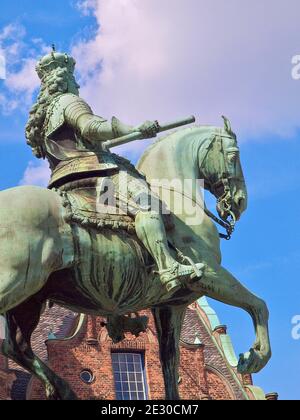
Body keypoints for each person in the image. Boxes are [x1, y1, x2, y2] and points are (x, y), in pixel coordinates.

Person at [25, 49, 203, 294]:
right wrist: (134, 127)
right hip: (96, 175)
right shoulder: (70, 101)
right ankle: (168, 266)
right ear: (64, 79)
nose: (77, 83)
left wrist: (101, 144)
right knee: (148, 205)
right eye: (73, 78)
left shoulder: (44, 115)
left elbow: (77, 143)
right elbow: (92, 127)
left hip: (62, 182)